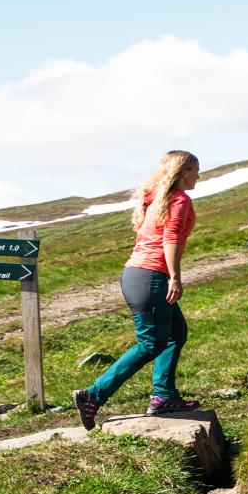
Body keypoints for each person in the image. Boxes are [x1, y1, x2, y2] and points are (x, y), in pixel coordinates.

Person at [73, 151, 203, 426]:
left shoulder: (155, 198)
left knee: (175, 333)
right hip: (151, 277)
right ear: (184, 172)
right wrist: (175, 278)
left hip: (137, 275)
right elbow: (170, 239)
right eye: (196, 171)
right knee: (151, 343)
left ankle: (163, 397)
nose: (198, 176)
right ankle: (93, 395)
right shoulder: (178, 200)